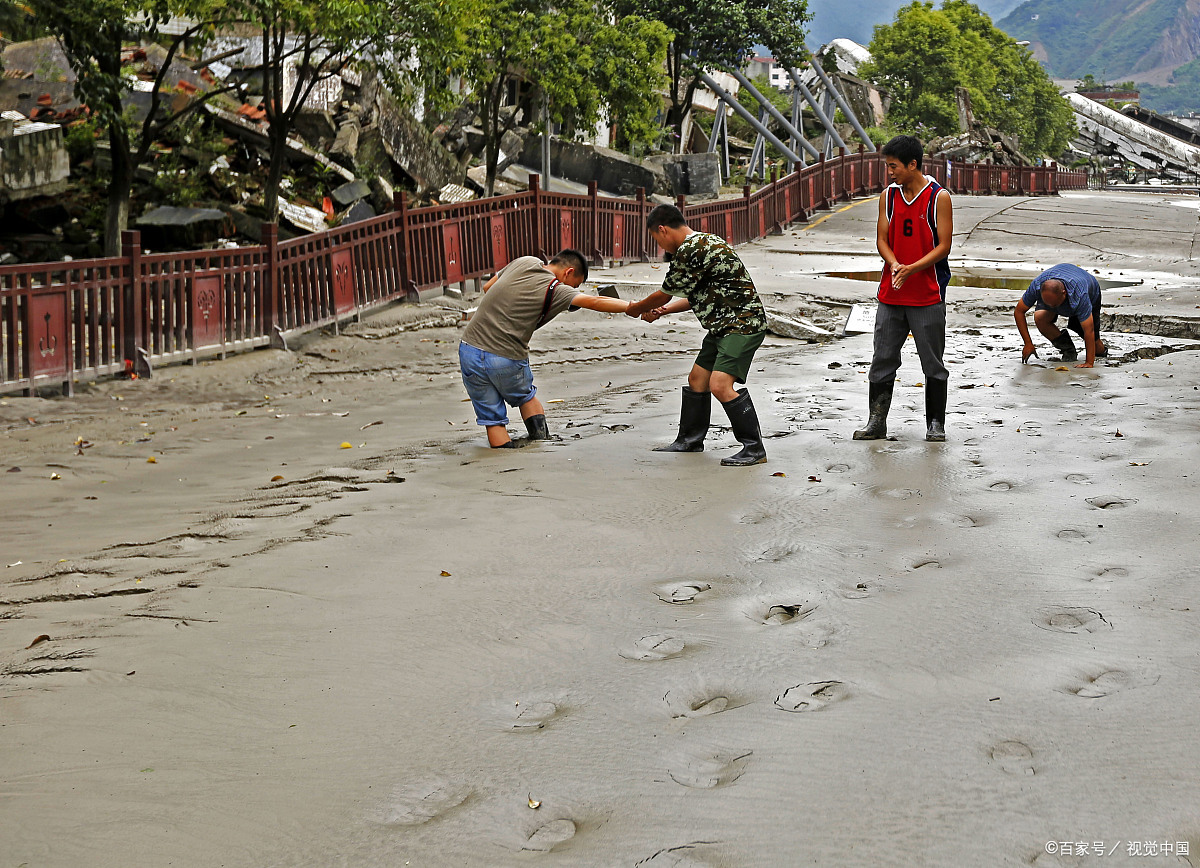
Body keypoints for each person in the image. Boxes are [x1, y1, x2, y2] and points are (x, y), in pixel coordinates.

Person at [623, 204, 769, 467]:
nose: (661, 246)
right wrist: (664, 311)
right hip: (723, 326)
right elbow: (697, 295)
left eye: (657, 240)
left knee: (720, 385)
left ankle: (754, 448)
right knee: (697, 379)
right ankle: (690, 439)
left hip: (741, 324)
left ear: (662, 229)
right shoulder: (707, 241)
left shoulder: (690, 250)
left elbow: (664, 292)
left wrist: (637, 308)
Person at [459, 249, 630, 448]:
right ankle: (540, 441)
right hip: (505, 355)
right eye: (574, 285)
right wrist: (633, 307)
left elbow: (489, 287)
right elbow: (595, 301)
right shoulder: (558, 289)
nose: (571, 289)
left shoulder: (525, 261)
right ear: (568, 272)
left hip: (468, 350)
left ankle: (502, 457)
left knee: (492, 420)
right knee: (525, 396)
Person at [854, 135, 953, 442]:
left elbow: (944, 246)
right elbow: (881, 239)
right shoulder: (889, 196)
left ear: (913, 164)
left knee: (933, 362)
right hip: (891, 292)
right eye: (888, 166)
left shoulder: (939, 197)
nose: (890, 172)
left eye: (894, 166)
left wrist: (913, 268)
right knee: (882, 358)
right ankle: (876, 422)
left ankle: (936, 424)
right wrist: (895, 262)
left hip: (927, 294)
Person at [1014, 263, 1108, 368]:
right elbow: (1019, 311)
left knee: (1095, 346)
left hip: (1090, 291)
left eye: (1054, 304)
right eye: (1047, 303)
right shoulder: (1036, 285)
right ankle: (1068, 350)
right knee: (1040, 317)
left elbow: (1089, 330)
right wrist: (1028, 343)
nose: (1051, 307)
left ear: (1064, 293)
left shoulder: (1080, 295)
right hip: (1060, 284)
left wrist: (1089, 363)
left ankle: (1103, 351)